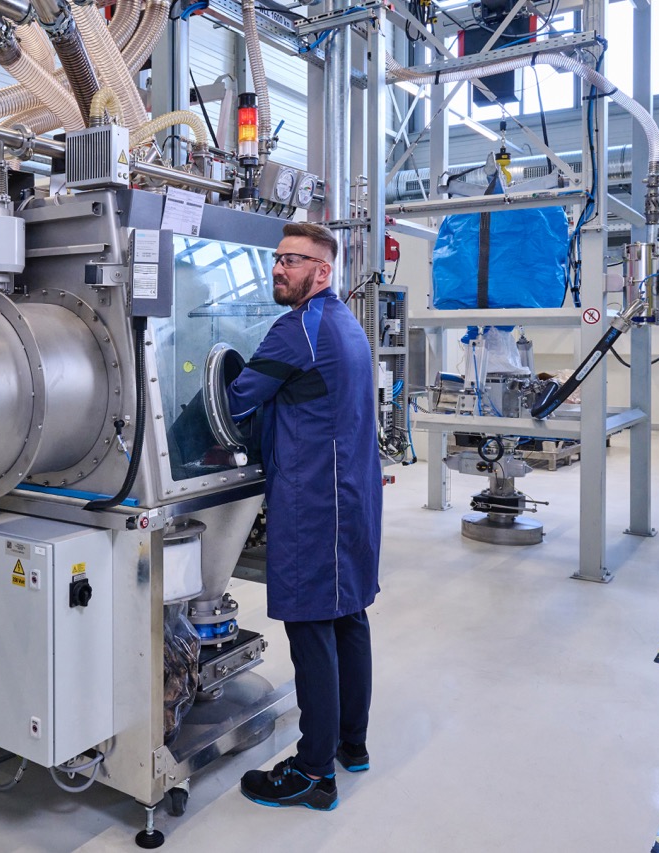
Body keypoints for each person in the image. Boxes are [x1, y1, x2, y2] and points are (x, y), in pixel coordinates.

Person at [224, 222, 383, 811]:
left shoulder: (299, 329)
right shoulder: (345, 323)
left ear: (323, 270)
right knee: (348, 618)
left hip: (316, 500)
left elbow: (234, 399)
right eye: (277, 258)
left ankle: (314, 773)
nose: (279, 269)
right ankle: (350, 744)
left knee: (312, 627)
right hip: (350, 494)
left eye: (293, 260)